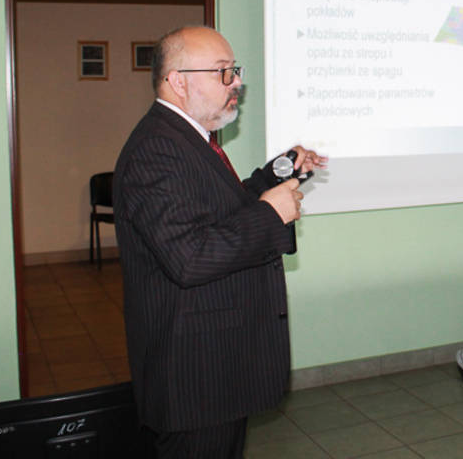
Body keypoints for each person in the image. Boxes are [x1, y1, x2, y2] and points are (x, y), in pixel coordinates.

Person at [113, 25, 326, 458]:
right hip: (194, 376)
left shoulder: (187, 139)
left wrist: (278, 173)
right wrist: (271, 214)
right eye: (222, 72)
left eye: (235, 70)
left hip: (215, 366)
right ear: (178, 81)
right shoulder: (157, 149)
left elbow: (218, 212)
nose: (236, 82)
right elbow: (190, 257)